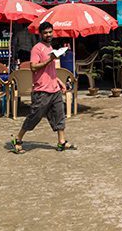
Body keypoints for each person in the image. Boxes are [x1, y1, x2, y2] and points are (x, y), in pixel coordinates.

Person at [10, 22, 75, 154]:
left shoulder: (50, 48)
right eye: (45, 33)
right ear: (41, 34)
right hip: (42, 90)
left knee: (59, 115)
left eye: (50, 32)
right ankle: (18, 139)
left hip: (54, 89)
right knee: (34, 116)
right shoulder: (37, 49)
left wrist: (59, 82)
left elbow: (49, 71)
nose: (48, 34)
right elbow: (33, 67)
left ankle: (61, 142)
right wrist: (49, 60)